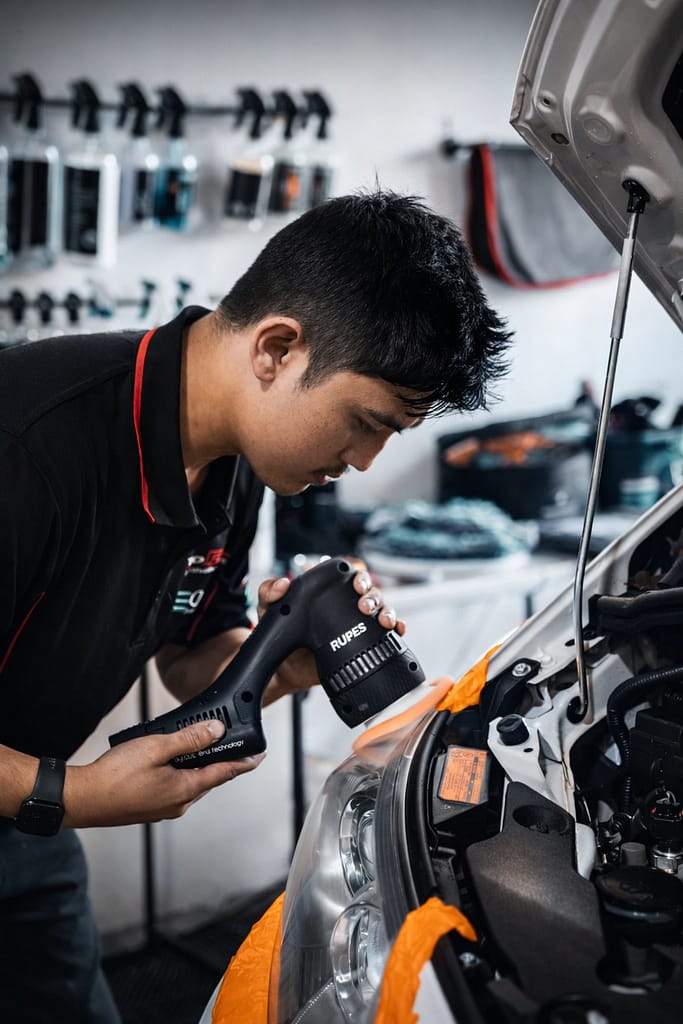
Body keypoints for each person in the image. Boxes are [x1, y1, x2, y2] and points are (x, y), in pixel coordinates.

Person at [0, 189, 511, 1022]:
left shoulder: (236, 463)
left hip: (26, 826)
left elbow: (184, 658)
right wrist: (76, 795)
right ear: (276, 348)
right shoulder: (26, 443)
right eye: (363, 422)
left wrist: (275, 662)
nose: (364, 462)